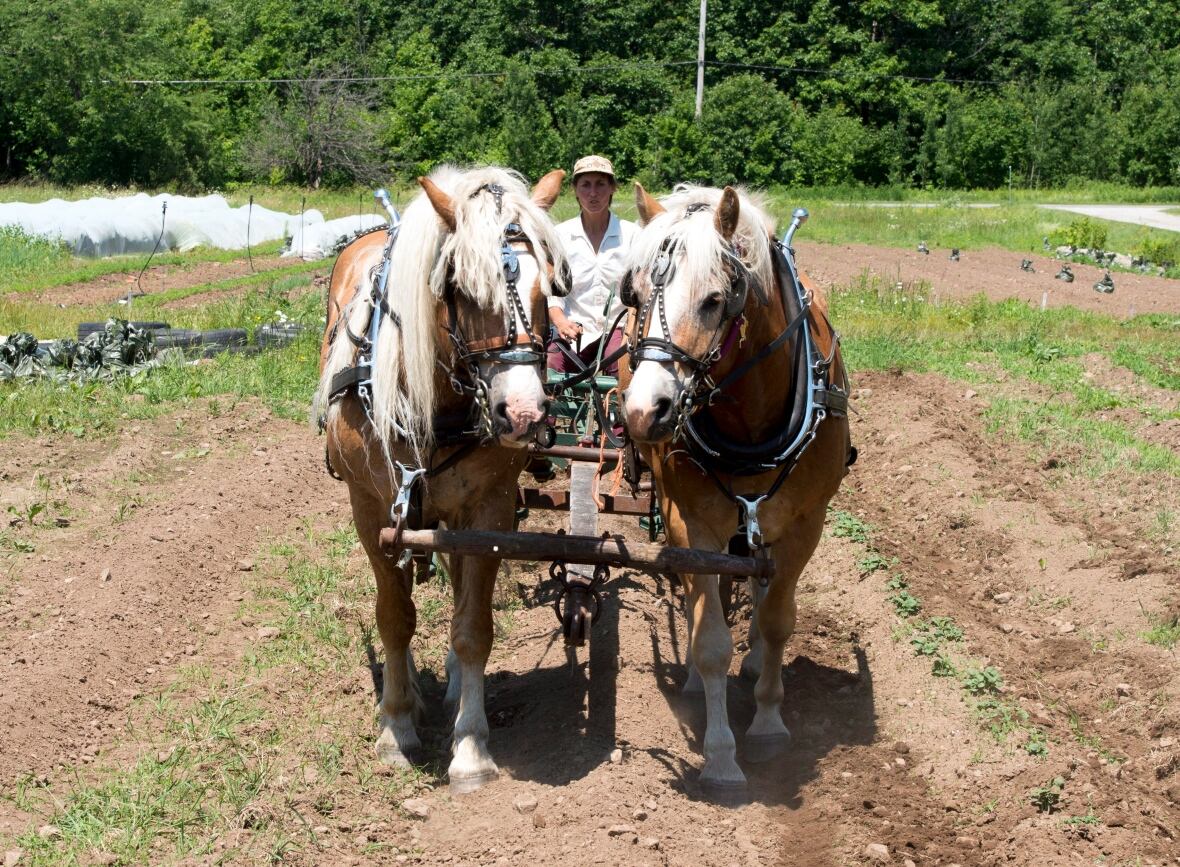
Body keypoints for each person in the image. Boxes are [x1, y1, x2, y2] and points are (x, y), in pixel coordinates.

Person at [548, 155, 640, 377]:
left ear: (612, 188)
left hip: (618, 326)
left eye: (600, 184)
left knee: (621, 367)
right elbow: (553, 293)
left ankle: (617, 401)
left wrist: (630, 329)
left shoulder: (632, 235)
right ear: (575, 189)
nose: (593, 193)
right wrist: (561, 322)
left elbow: (640, 293)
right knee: (551, 366)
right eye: (585, 185)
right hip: (574, 325)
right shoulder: (560, 235)